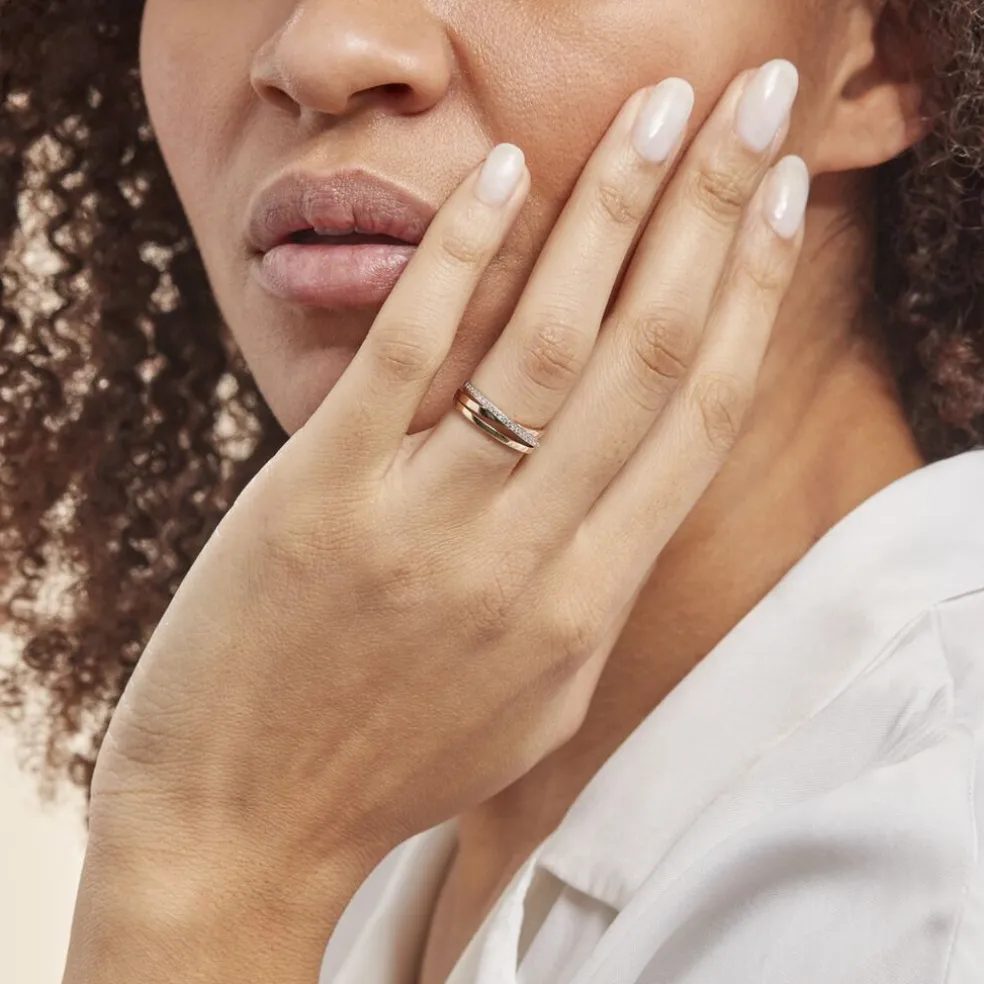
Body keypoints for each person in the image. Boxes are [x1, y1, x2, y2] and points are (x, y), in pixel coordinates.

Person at [2, 0, 984, 982]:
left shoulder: (936, 869)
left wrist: (208, 872)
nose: (321, 51)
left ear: (890, 56)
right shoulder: (351, 801)